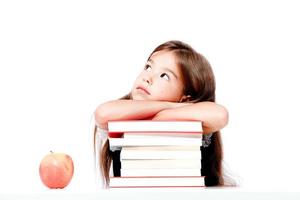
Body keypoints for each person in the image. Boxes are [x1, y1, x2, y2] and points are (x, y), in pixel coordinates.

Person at [93, 40, 229, 188]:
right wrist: (170, 106)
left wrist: (163, 114)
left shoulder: (192, 117)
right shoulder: (121, 110)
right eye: (148, 67)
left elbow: (220, 115)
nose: (147, 77)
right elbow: (102, 113)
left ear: (185, 97)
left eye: (164, 75)